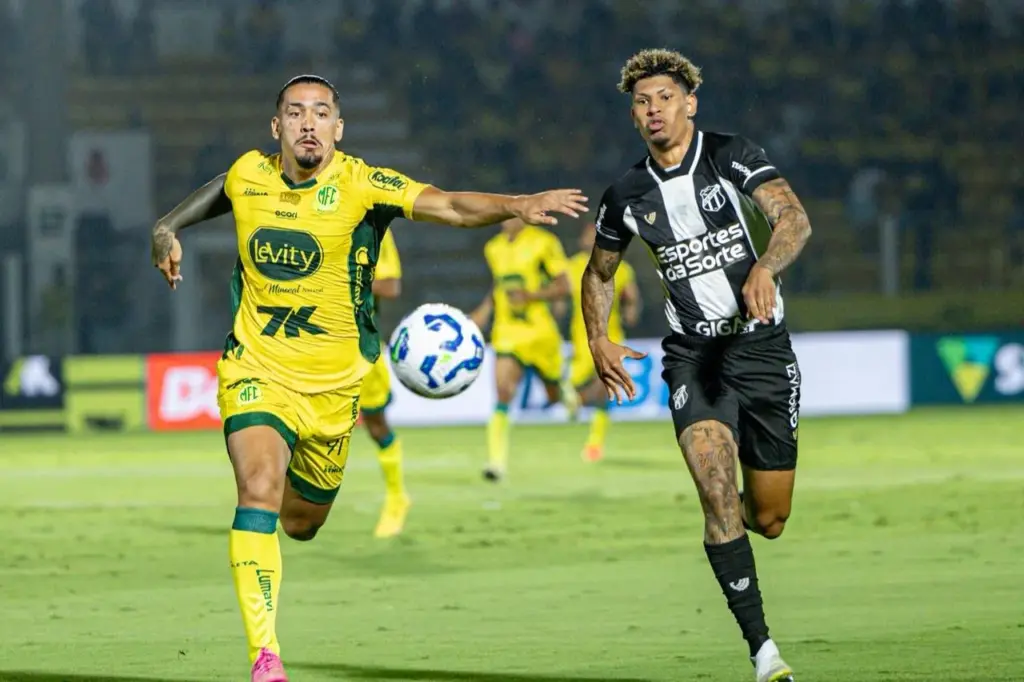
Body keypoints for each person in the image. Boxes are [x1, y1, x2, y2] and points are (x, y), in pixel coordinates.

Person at [150, 74, 588, 682]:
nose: (309, 123)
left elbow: (451, 206)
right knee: (258, 486)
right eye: (296, 113)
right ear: (276, 128)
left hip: (334, 390)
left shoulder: (362, 183)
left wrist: (515, 206)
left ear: (339, 128)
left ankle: (281, 536)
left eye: (321, 113)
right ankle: (265, 657)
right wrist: (166, 226)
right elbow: (223, 188)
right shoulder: (250, 172)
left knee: (301, 522)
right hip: (256, 368)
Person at [581, 50, 812, 682]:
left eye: (664, 98)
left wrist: (764, 266)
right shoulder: (626, 193)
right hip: (694, 357)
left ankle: (731, 528)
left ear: (690, 103)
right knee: (714, 484)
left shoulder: (731, 157)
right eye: (641, 102)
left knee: (768, 518)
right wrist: (597, 337)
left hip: (762, 351)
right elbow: (600, 272)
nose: (652, 110)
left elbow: (793, 217)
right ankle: (764, 652)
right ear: (633, 115)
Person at [470, 217, 579, 482]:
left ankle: (564, 390)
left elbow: (564, 286)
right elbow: (499, 285)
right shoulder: (493, 247)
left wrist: (531, 296)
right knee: (503, 392)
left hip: (540, 332)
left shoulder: (544, 242)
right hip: (507, 331)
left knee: (553, 394)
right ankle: (496, 462)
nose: (506, 218)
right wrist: (483, 312)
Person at [566, 221, 641, 462]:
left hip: (611, 338)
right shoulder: (572, 266)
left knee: (604, 388)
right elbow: (559, 290)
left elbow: (631, 295)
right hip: (581, 341)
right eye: (588, 236)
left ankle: (594, 444)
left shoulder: (621, 267)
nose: (592, 240)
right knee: (573, 387)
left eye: (595, 236)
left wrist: (631, 309)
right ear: (581, 241)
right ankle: (575, 400)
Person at [357, 228, 411, 538]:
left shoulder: (374, 229)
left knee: (376, 425)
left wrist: (340, 282)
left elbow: (390, 286)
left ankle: (397, 497)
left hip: (359, 344)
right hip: (313, 341)